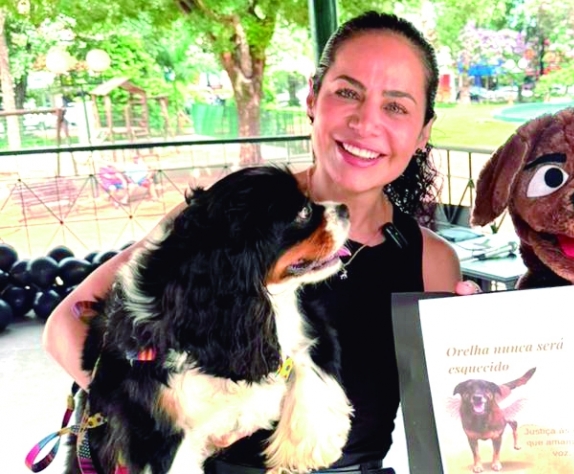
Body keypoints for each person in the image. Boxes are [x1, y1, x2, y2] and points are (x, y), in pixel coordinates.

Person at [42, 11, 475, 474]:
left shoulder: (432, 260)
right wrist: (174, 419)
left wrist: (483, 343)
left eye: (396, 106)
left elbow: (445, 420)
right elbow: (65, 329)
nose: (365, 122)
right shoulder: (228, 216)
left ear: (424, 130)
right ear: (313, 97)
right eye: (347, 92)